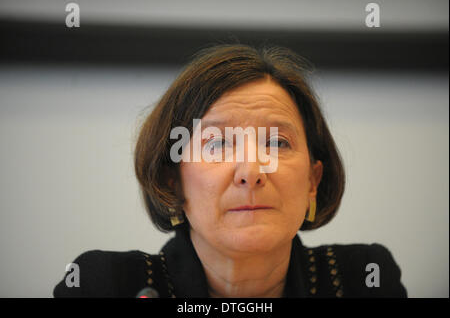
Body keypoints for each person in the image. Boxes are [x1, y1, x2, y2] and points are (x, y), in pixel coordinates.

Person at [54, 44, 407, 298]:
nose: (251, 172)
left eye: (277, 143)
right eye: (219, 144)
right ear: (171, 182)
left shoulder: (362, 280)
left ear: (313, 181)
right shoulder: (107, 285)